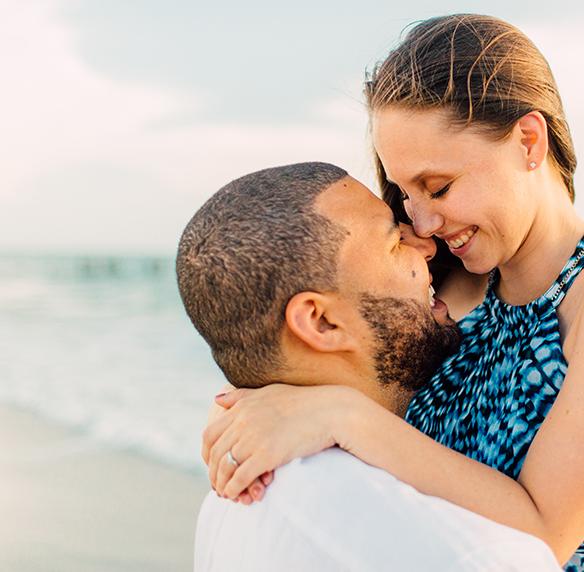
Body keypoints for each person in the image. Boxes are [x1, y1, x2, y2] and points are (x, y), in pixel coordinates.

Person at [204, 15, 584, 571]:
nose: (422, 220)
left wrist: (339, 414)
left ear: (529, 142)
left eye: (437, 187)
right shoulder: (446, 296)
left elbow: (543, 536)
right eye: (404, 190)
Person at [178, 162, 561, 571]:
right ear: (322, 323)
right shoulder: (462, 553)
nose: (428, 245)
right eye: (394, 240)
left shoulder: (227, 511)